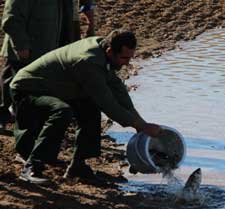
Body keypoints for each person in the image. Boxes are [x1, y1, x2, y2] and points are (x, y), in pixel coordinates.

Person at [10, 29, 162, 184]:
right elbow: (108, 104)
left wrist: (140, 123)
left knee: (90, 110)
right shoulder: (88, 62)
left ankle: (78, 167)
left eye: (130, 58)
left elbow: (118, 90)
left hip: (62, 88)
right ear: (110, 51)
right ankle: (32, 166)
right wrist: (141, 125)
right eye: (124, 58)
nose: (127, 63)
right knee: (61, 111)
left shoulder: (103, 50)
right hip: (29, 89)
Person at [0, 0, 75, 131]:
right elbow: (11, 19)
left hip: (46, 49)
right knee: (12, 85)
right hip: (25, 52)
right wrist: (21, 45)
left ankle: (26, 121)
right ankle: (5, 117)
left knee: (31, 90)